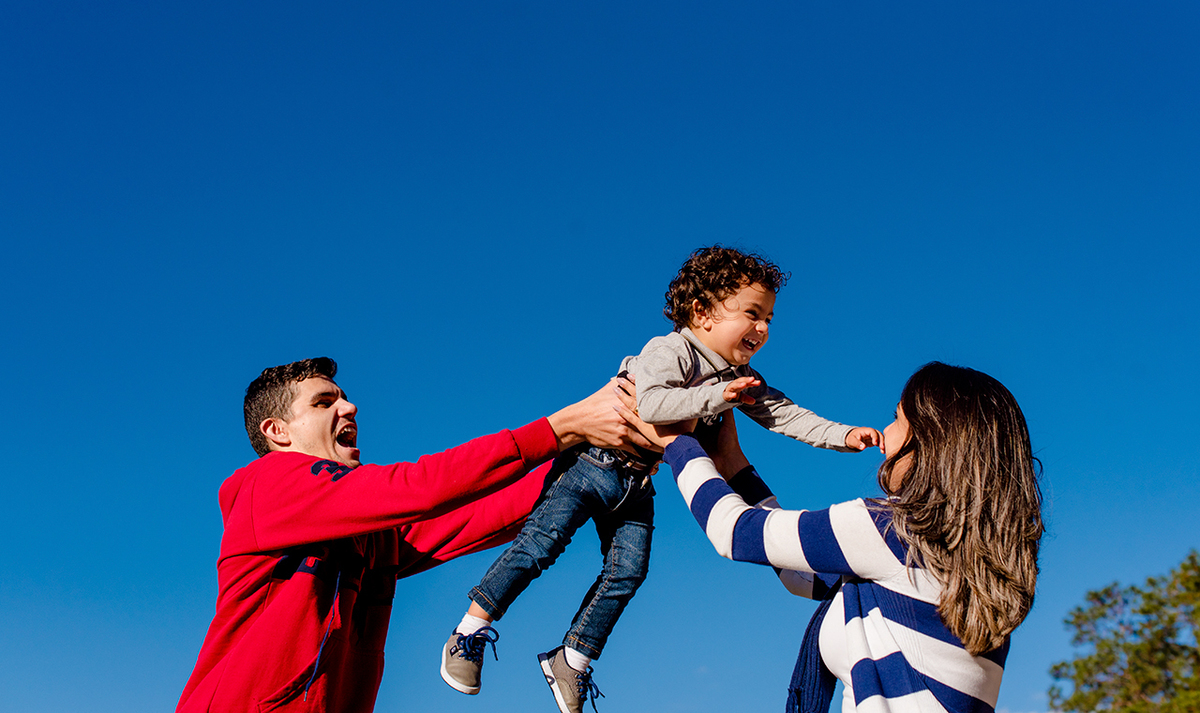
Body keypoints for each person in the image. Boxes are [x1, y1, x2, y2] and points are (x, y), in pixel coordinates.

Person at [441, 246, 880, 713]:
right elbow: (652, 405)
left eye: (769, 318)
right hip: (590, 466)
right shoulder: (668, 350)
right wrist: (717, 396)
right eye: (752, 314)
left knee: (629, 571)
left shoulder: (738, 376)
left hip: (637, 483)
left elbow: (784, 414)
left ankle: (572, 659)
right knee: (539, 546)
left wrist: (844, 435)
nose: (763, 329)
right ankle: (467, 633)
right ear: (703, 312)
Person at [175, 357, 650, 713]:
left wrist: (596, 461)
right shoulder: (267, 484)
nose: (349, 406)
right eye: (324, 402)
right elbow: (418, 488)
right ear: (276, 432)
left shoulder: (370, 536)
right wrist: (563, 427)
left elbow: (481, 517)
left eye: (342, 397)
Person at [643, 361, 1044, 713]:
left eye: (897, 418)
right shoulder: (953, 563)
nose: (885, 433)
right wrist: (731, 462)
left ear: (929, 440)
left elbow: (735, 532)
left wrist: (676, 442)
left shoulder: (890, 531)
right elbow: (806, 577)